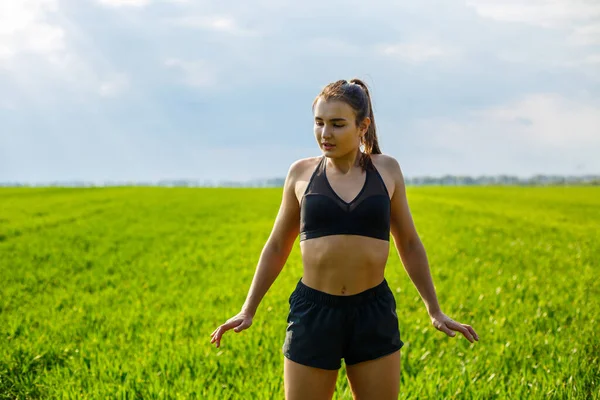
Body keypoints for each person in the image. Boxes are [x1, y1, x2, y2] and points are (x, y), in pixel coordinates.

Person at [210, 78, 479, 399]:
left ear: (362, 126)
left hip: (372, 312)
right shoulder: (301, 173)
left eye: (337, 124)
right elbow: (278, 244)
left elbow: (408, 242)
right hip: (313, 312)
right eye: (319, 123)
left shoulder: (387, 171)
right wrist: (247, 309)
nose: (325, 134)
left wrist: (434, 310)